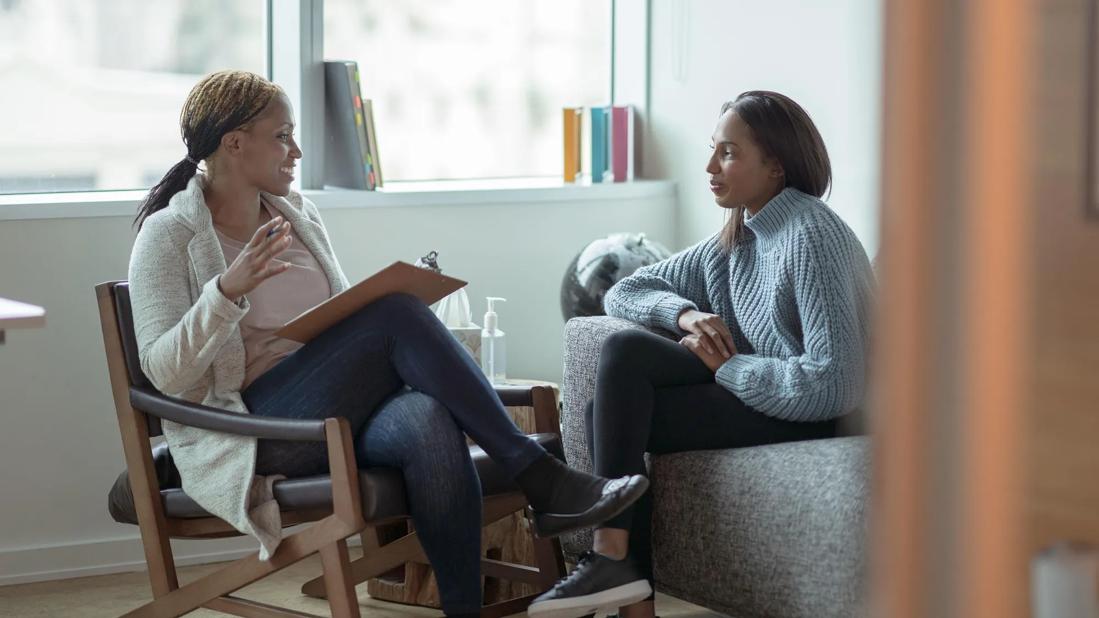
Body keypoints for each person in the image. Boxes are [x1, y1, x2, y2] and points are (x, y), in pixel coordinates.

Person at [127, 70, 647, 618]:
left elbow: (335, 324)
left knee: (425, 418)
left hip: (331, 410)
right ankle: (541, 479)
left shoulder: (296, 215)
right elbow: (164, 373)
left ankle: (463, 609)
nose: (296, 150)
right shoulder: (170, 235)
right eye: (283, 136)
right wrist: (225, 292)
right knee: (396, 313)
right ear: (234, 143)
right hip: (256, 430)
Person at [527, 91, 876, 618]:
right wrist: (685, 315)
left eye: (729, 153)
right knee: (614, 392)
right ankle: (623, 581)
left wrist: (730, 367)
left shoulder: (812, 235)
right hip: (768, 390)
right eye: (713, 149)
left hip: (824, 414)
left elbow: (834, 385)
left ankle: (613, 564)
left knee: (619, 386)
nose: (710, 167)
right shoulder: (740, 233)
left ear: (776, 165)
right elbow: (626, 290)